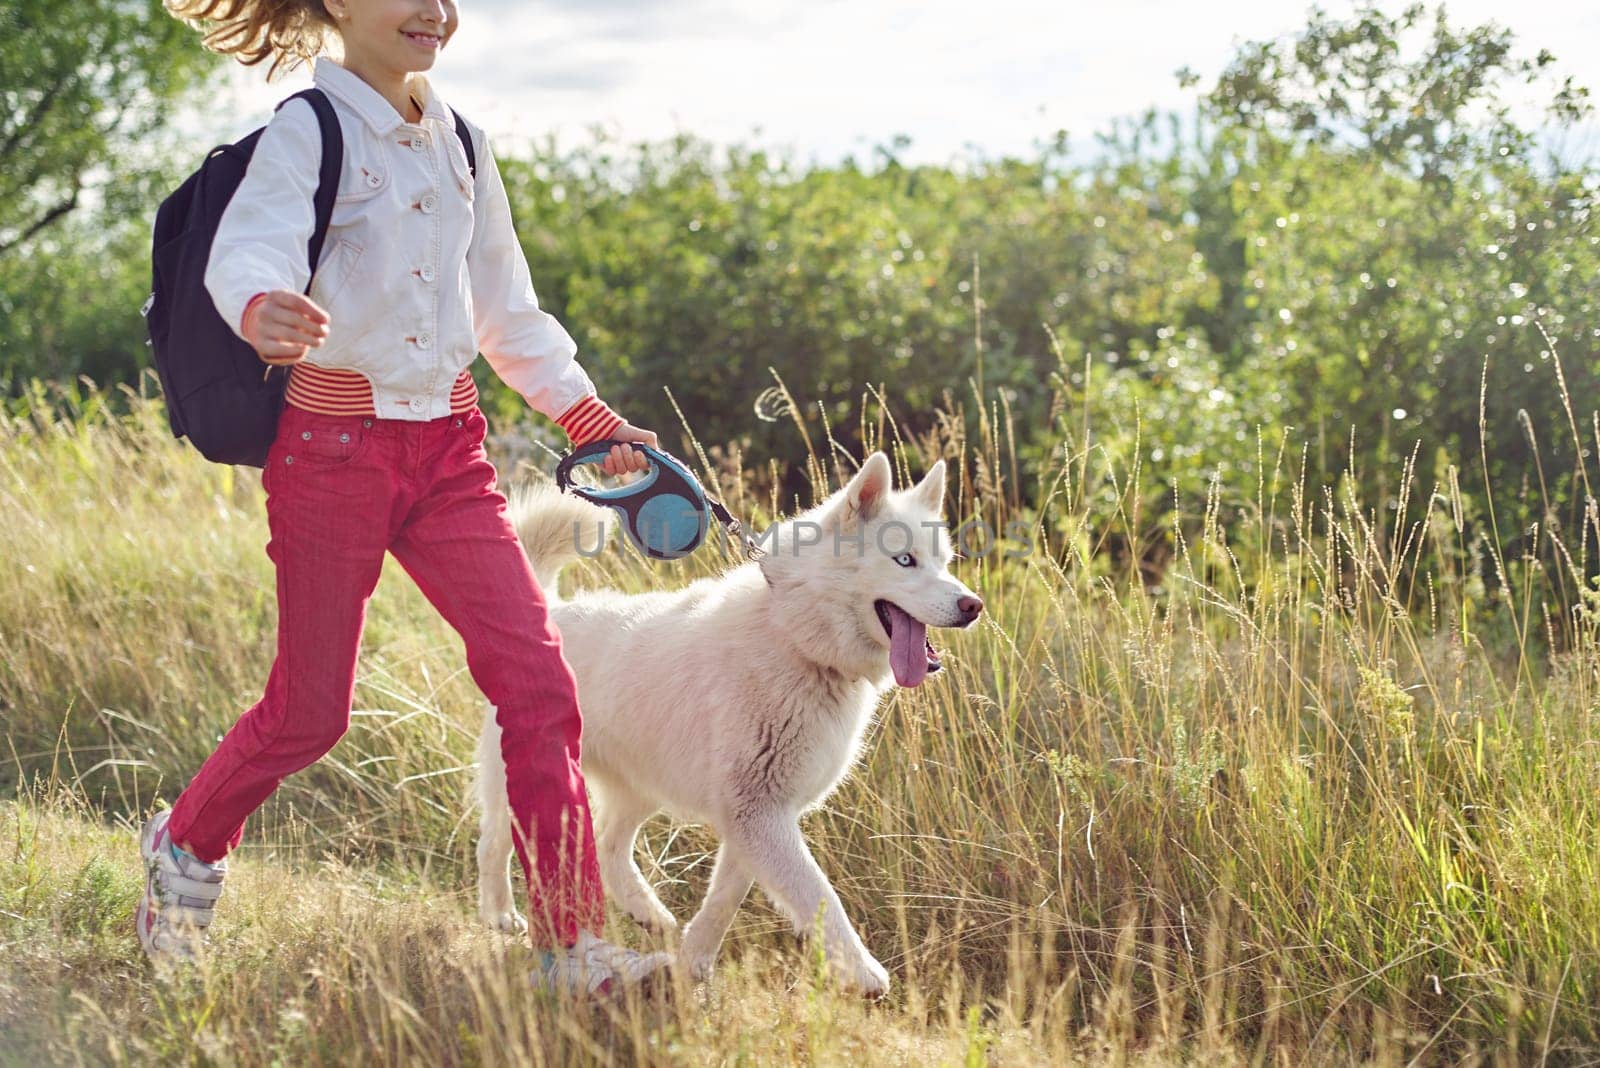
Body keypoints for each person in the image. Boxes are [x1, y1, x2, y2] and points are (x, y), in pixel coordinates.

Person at [138, 0, 672, 997]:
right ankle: (183, 850)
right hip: (332, 451)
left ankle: (571, 949)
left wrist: (588, 418)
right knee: (309, 713)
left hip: (450, 454)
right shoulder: (313, 126)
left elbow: (506, 310)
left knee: (542, 686)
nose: (435, 11)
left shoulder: (463, 141)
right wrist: (263, 308)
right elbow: (244, 251)